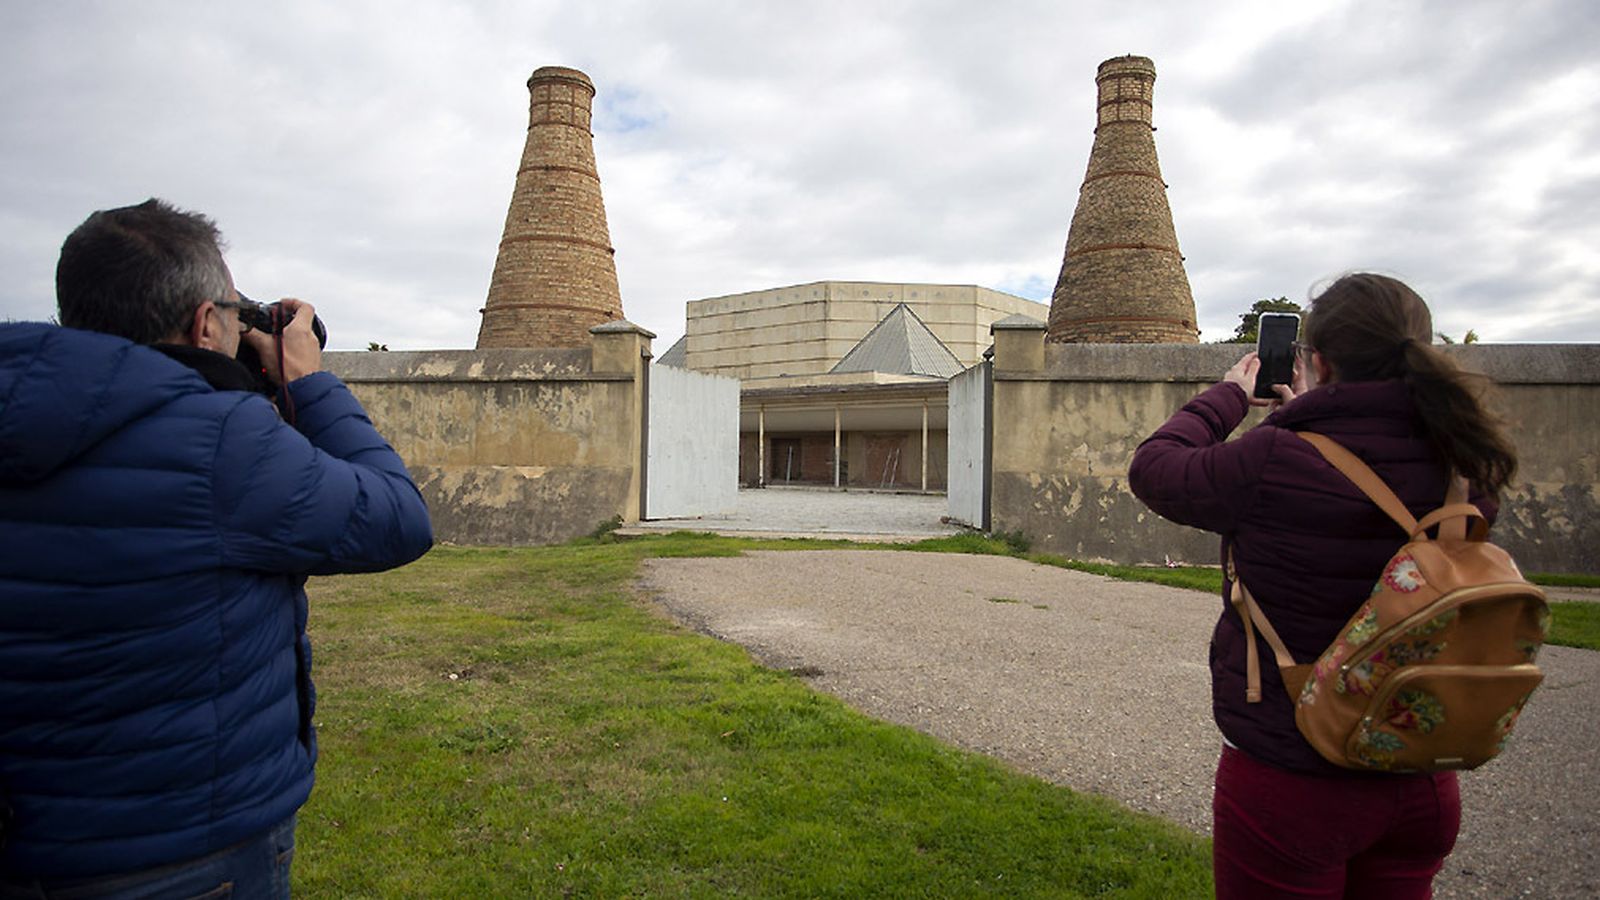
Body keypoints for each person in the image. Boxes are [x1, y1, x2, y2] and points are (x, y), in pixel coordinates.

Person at [0, 199, 433, 897]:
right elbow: (397, 518)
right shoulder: (220, 444)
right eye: (235, 314)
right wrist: (310, 381)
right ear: (205, 324)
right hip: (182, 853)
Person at [1127, 273, 1518, 899]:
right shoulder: (1462, 462)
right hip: (1418, 770)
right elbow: (1363, 467)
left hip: (1296, 776)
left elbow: (1155, 469)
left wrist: (1230, 396)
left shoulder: (1274, 458)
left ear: (1319, 360)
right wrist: (1310, 414)